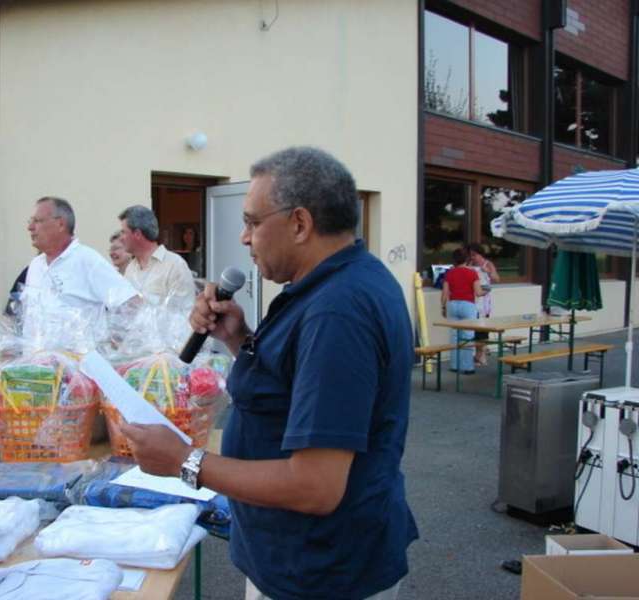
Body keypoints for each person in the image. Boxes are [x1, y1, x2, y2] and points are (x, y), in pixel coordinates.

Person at [121, 147, 417, 600]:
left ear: (300, 223)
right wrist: (238, 338)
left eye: (254, 222)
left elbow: (316, 486)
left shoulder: (338, 311)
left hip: (321, 570)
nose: (244, 238)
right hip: (301, 556)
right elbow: (297, 384)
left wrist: (185, 460)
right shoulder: (334, 284)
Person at [23, 196, 137, 338]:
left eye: (37, 221)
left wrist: (118, 347)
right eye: (30, 221)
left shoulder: (87, 260)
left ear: (60, 224)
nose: (30, 227)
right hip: (36, 358)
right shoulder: (36, 266)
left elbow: (133, 306)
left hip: (78, 359)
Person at [119, 205, 196, 305]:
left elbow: (185, 313)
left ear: (137, 234)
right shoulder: (131, 268)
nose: (121, 238)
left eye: (123, 232)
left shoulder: (175, 266)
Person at [441, 247, 485, 374]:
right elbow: (478, 292)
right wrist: (485, 291)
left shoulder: (450, 273)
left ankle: (454, 365)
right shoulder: (472, 273)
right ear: (467, 259)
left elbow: (445, 293)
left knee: (454, 336)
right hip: (467, 305)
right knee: (467, 336)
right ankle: (467, 367)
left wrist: (443, 307)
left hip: (452, 304)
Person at [466, 243, 500, 366]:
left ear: (480, 254)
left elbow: (496, 279)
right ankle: (478, 353)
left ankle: (482, 355)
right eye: (471, 255)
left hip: (484, 301)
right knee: (474, 328)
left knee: (482, 329)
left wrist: (489, 272)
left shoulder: (488, 264)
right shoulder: (470, 264)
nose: (472, 258)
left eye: (474, 255)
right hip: (472, 299)